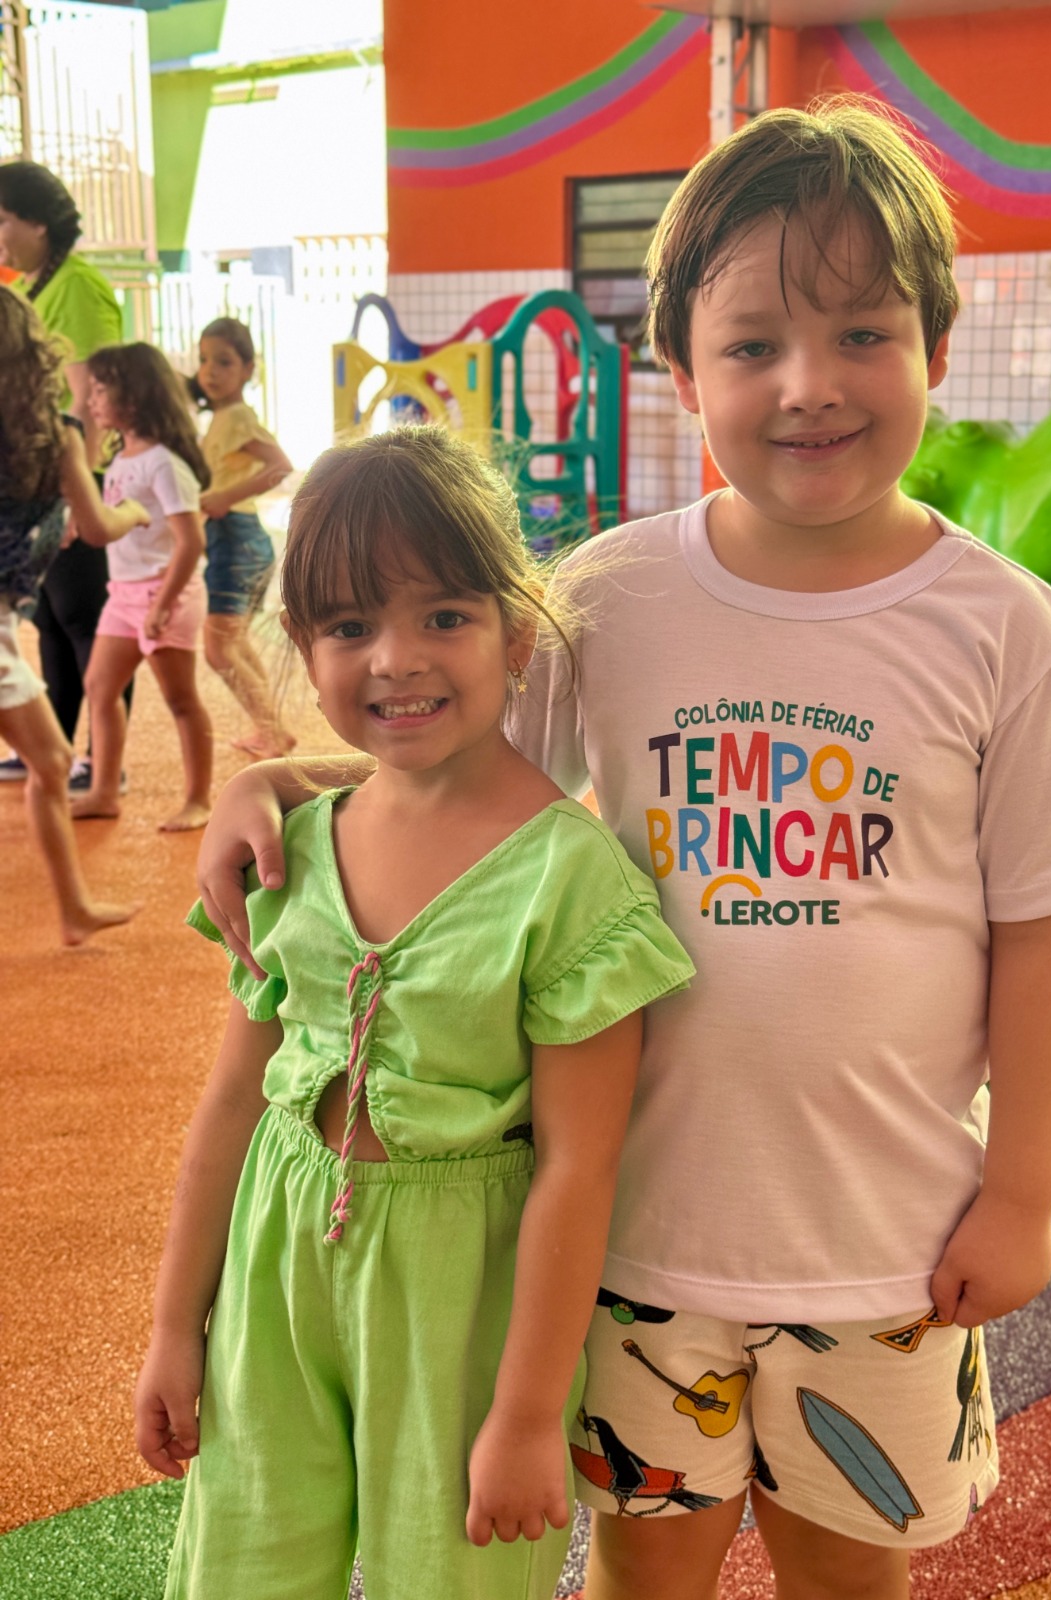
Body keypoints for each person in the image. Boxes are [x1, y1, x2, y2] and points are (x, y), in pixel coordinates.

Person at [194, 100, 1051, 1600]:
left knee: (850, 1580)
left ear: (936, 345)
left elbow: (1047, 932)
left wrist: (1023, 1194)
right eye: (755, 344)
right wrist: (279, 782)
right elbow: (456, 766)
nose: (809, 384)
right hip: (640, 1240)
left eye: (862, 333)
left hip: (889, 1249)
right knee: (646, 1582)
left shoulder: (1006, 629)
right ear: (684, 371)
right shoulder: (617, 594)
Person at [134, 426, 694, 1600]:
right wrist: (176, 1324)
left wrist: (528, 1414)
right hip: (275, 1271)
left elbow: (578, 1166)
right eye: (350, 626)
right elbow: (233, 1102)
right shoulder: (290, 848)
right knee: (242, 1565)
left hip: (462, 1299)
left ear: (516, 633)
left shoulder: (571, 880)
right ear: (304, 647)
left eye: (444, 615)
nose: (397, 659)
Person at [0, 285, 144, 943]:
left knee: (53, 763)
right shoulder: (55, 437)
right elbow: (97, 527)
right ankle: (73, 911)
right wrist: (134, 512)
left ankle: (74, 912)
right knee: (52, 763)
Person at [0, 161, 129, 788]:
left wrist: (78, 494)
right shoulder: (33, 288)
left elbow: (88, 396)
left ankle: (105, 764)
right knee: (50, 621)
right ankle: (47, 746)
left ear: (38, 223)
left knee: (85, 620)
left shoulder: (75, 285)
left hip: (74, 477)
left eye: (3, 219)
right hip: (45, 481)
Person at [70, 343, 213, 831]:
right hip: (124, 593)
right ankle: (104, 791)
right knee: (99, 687)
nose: (91, 400)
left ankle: (198, 799)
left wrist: (163, 604)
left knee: (180, 699)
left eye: (100, 390)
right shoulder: (120, 457)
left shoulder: (164, 464)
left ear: (133, 397)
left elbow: (191, 542)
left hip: (163, 592)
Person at [193, 317, 295, 759]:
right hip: (230, 537)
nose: (210, 371)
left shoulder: (237, 417)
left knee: (218, 647)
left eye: (224, 362)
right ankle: (269, 725)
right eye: (204, 360)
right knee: (231, 642)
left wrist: (225, 496)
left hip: (237, 536)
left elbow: (280, 466)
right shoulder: (220, 417)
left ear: (248, 369)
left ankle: (272, 731)